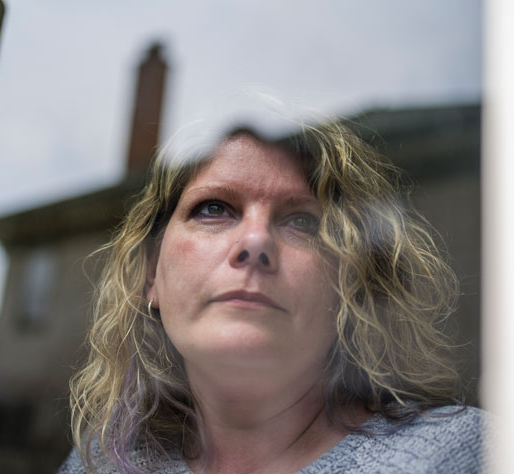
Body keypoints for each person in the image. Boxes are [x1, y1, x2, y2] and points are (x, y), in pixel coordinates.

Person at [58, 121, 486, 474]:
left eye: (303, 222)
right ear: (152, 275)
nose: (256, 241)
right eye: (213, 208)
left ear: (348, 288)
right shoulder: (101, 461)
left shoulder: (469, 454)